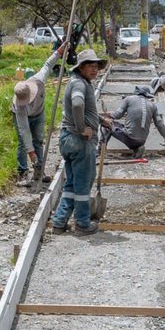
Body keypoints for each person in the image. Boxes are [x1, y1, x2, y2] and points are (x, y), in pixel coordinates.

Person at [51, 48, 108, 236]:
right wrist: (82, 128)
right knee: (83, 184)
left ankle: (59, 222)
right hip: (79, 140)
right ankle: (83, 223)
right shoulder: (79, 85)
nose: (94, 70)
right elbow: (77, 105)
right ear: (81, 67)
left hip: (68, 139)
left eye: (96, 66)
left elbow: (83, 109)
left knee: (72, 183)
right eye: (90, 66)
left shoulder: (80, 82)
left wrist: (100, 120)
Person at [12, 40, 67, 183]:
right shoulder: (19, 107)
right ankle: (23, 172)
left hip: (39, 112)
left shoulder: (39, 80)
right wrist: (32, 155)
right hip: (25, 117)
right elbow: (25, 131)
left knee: (39, 140)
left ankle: (39, 172)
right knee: (23, 143)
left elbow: (48, 64)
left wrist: (60, 51)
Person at [101, 84, 165, 155]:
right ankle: (137, 148)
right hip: (141, 141)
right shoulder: (153, 105)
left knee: (106, 123)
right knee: (134, 136)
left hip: (129, 138)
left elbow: (117, 115)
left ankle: (101, 150)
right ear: (147, 95)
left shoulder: (129, 99)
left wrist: (110, 114)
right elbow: (159, 123)